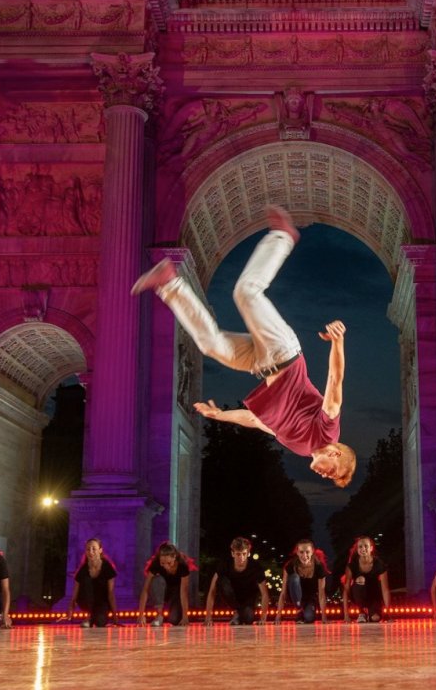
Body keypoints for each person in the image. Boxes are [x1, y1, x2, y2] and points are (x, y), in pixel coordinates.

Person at [131, 205, 356, 488]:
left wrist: (220, 415)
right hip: (284, 353)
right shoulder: (328, 433)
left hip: (260, 364)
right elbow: (335, 385)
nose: (324, 475)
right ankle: (283, 237)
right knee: (246, 292)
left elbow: (256, 420)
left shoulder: (300, 448)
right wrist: (338, 343)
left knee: (210, 344)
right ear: (335, 453)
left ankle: (169, 283)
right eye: (332, 472)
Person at [205, 537, 270, 626]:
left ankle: (239, 615)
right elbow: (212, 590)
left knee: (248, 619)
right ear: (233, 554)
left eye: (244, 554)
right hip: (231, 595)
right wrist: (208, 617)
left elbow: (265, 594)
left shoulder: (256, 568)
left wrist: (263, 618)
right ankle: (237, 611)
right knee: (220, 580)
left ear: (248, 553)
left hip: (248, 599)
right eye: (238, 554)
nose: (241, 557)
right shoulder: (225, 565)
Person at [137, 542, 196, 627]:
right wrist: (141, 614)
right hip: (162, 589)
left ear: (174, 557)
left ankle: (175, 614)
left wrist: (185, 616)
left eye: (169, 563)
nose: (166, 567)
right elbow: (145, 589)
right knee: (156, 580)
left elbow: (184, 592)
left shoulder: (182, 565)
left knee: (174, 620)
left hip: (177, 591)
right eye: (162, 563)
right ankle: (159, 615)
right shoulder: (156, 564)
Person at [65, 538, 120, 628]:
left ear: (100, 550)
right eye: (88, 549)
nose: (91, 552)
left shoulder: (107, 567)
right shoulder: (82, 569)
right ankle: (90, 616)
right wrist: (70, 608)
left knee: (100, 622)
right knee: (86, 581)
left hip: (102, 602)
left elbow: (111, 593)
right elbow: (75, 594)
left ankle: (92, 618)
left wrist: (115, 616)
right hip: (86, 600)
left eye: (94, 549)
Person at [275, 539, 328, 624]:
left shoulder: (318, 567)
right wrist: (278, 616)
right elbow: (283, 592)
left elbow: (321, 594)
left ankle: (303, 613)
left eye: (307, 552)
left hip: (310, 598)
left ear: (312, 551)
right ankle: (299, 609)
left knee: (309, 617)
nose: (304, 555)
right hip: (295, 596)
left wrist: (324, 617)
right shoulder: (291, 565)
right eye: (301, 552)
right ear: (297, 552)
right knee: (295, 577)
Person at [342, 536, 390, 623]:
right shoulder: (352, 565)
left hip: (374, 596)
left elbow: (385, 589)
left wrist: (388, 614)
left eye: (366, 546)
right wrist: (346, 615)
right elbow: (346, 590)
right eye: (360, 547)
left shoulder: (379, 564)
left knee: (375, 618)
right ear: (357, 549)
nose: (363, 549)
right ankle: (361, 611)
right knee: (361, 579)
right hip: (358, 594)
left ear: (371, 548)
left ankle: (372, 612)